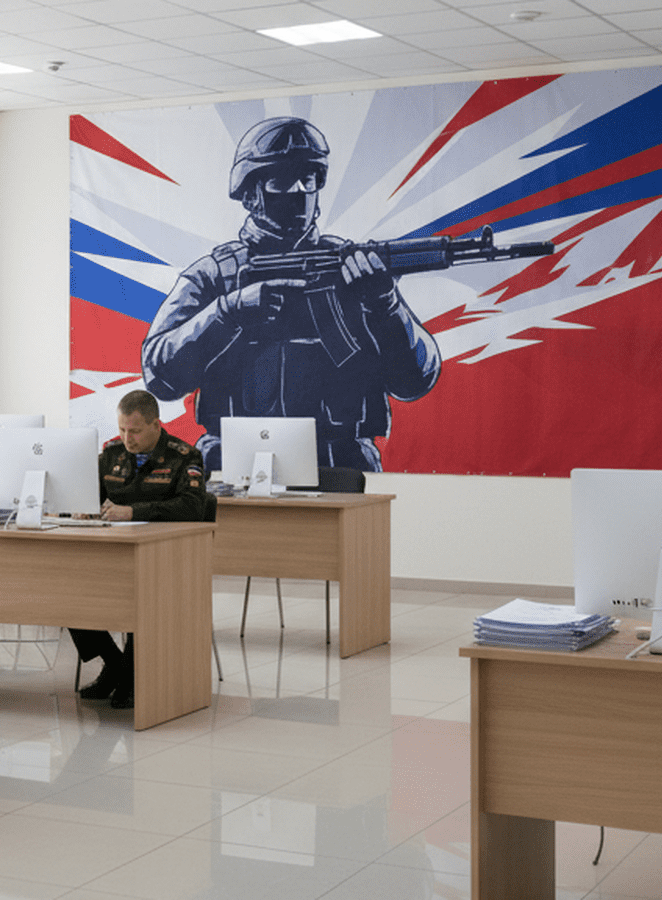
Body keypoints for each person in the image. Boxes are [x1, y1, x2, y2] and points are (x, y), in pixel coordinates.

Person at [140, 116, 441, 473]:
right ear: (251, 193)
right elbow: (159, 373)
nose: (299, 190)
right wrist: (228, 312)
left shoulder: (351, 270)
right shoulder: (217, 275)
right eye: (281, 180)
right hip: (234, 463)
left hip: (339, 464)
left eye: (308, 178)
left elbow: (416, 380)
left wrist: (385, 304)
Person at [69, 390, 208, 710]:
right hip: (111, 551)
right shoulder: (112, 454)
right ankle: (116, 664)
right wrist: (82, 508)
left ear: (156, 425)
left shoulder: (184, 456)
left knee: (138, 592)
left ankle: (132, 674)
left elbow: (191, 507)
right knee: (70, 589)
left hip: (165, 555)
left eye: (134, 431)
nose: (126, 438)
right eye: (121, 430)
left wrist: (134, 512)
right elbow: (89, 494)